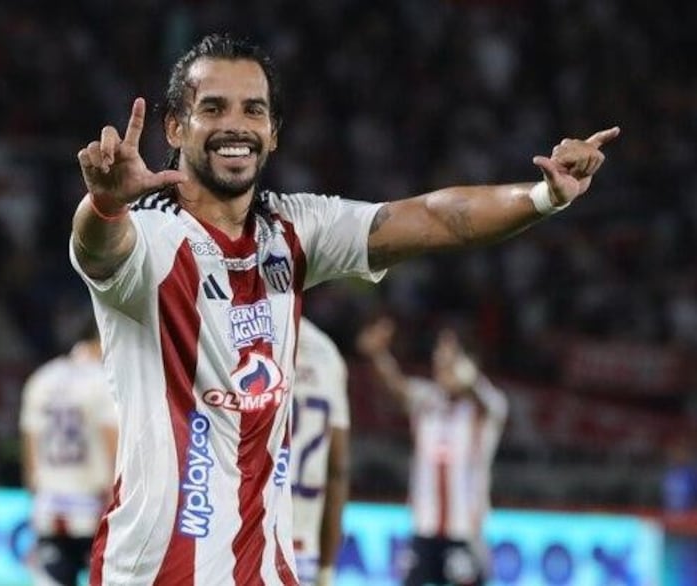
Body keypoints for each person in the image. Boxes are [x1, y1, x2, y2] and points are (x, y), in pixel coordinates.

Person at [69, 32, 618, 585]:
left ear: (273, 132)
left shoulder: (294, 228)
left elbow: (432, 217)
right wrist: (106, 205)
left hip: (267, 571)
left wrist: (544, 196)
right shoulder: (151, 240)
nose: (236, 125)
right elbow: (99, 249)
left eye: (253, 110)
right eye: (213, 108)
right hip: (154, 573)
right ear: (174, 127)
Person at [357, 317, 507, 586]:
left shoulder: (485, 406)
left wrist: (468, 377)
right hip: (423, 529)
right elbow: (396, 386)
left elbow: (487, 402)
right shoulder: (426, 399)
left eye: (449, 356)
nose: (440, 362)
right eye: (438, 355)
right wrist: (378, 354)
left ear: (467, 363)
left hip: (463, 531)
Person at [20, 319, 118, 586]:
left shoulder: (42, 378)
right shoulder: (104, 379)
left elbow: (30, 444)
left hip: (50, 505)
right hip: (95, 506)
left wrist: (35, 492)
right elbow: (112, 438)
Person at [290, 317, 350, 586]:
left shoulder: (236, 333)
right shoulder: (327, 352)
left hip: (244, 541)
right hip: (303, 550)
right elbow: (337, 468)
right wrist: (326, 568)